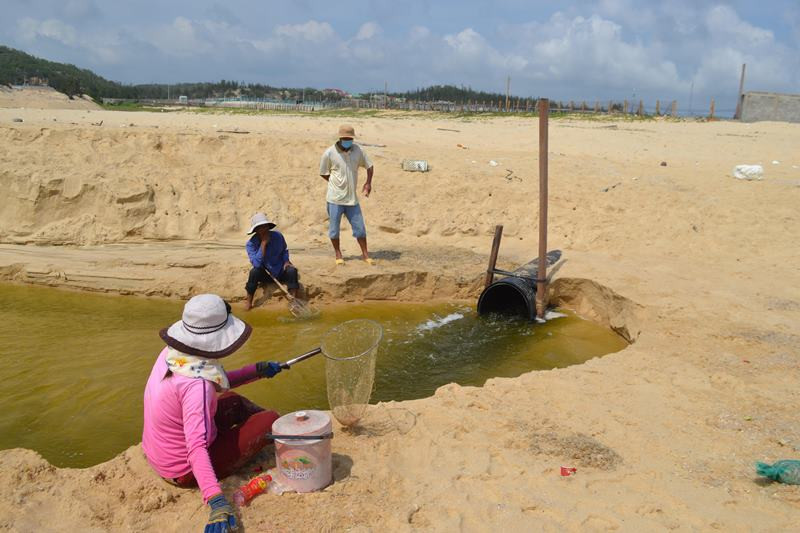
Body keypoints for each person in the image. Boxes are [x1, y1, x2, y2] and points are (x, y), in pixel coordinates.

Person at [142, 293, 286, 533]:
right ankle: (264, 433)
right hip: (182, 469)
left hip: (159, 452)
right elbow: (196, 447)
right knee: (271, 419)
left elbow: (216, 381)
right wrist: (216, 501)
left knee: (235, 402)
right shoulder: (197, 387)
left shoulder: (172, 355)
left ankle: (254, 430)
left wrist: (256, 371)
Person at [319, 124, 375, 265]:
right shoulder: (329, 153)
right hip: (334, 199)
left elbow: (369, 166)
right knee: (334, 230)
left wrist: (368, 183)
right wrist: (335, 183)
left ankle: (365, 254)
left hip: (352, 200)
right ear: (340, 138)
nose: (348, 141)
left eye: (350, 139)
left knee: (360, 229)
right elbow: (323, 172)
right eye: (345, 139)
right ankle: (338, 254)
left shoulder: (358, 151)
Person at [244, 212, 299, 311]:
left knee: (292, 271)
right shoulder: (251, 244)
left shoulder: (278, 236)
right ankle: (249, 301)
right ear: (256, 230)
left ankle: (294, 300)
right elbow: (256, 264)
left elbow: (284, 250)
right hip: (266, 274)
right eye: (260, 227)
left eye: (265, 226)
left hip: (280, 270)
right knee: (254, 272)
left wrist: (286, 261)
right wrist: (263, 244)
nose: (264, 230)